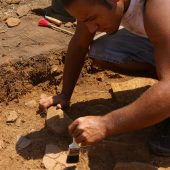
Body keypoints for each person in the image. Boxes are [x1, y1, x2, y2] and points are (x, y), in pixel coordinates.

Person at [39, 0, 170, 156]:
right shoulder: (98, 6)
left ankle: (163, 98)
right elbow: (79, 45)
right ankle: (161, 87)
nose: (91, 28)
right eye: (85, 20)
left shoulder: (159, 7)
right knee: (103, 50)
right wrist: (65, 94)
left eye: (92, 18)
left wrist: (106, 124)